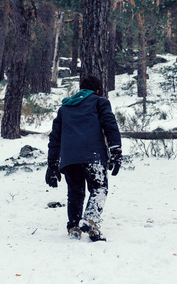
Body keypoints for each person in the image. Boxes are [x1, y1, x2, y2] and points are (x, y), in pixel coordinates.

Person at [46, 76, 122, 242]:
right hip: (93, 155)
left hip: (69, 159)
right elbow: (110, 125)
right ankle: (90, 220)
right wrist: (116, 151)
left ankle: (74, 227)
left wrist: (52, 165)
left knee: (75, 192)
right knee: (99, 188)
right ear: (97, 91)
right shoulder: (99, 102)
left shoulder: (64, 108)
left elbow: (55, 138)